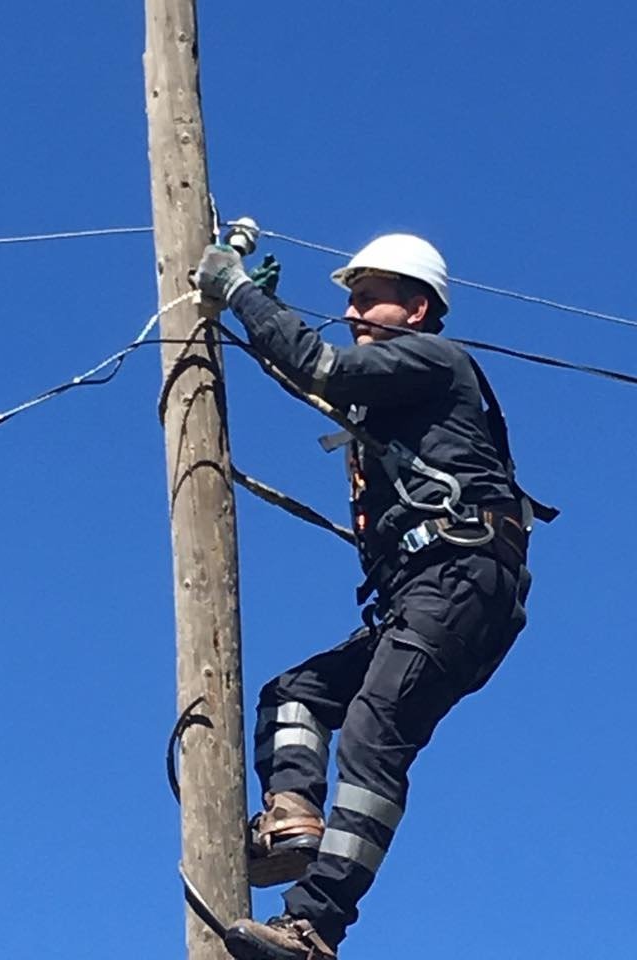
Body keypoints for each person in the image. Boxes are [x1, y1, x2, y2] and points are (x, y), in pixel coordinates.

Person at [195, 234, 556, 960]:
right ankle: (292, 819)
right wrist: (254, 306)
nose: (353, 312)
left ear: (417, 308)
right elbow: (312, 374)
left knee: (372, 735)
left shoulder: (434, 359)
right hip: (431, 592)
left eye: (368, 298)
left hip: (461, 580)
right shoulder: (399, 383)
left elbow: (321, 367)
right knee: (294, 695)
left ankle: (313, 927)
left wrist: (239, 291)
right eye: (350, 299)